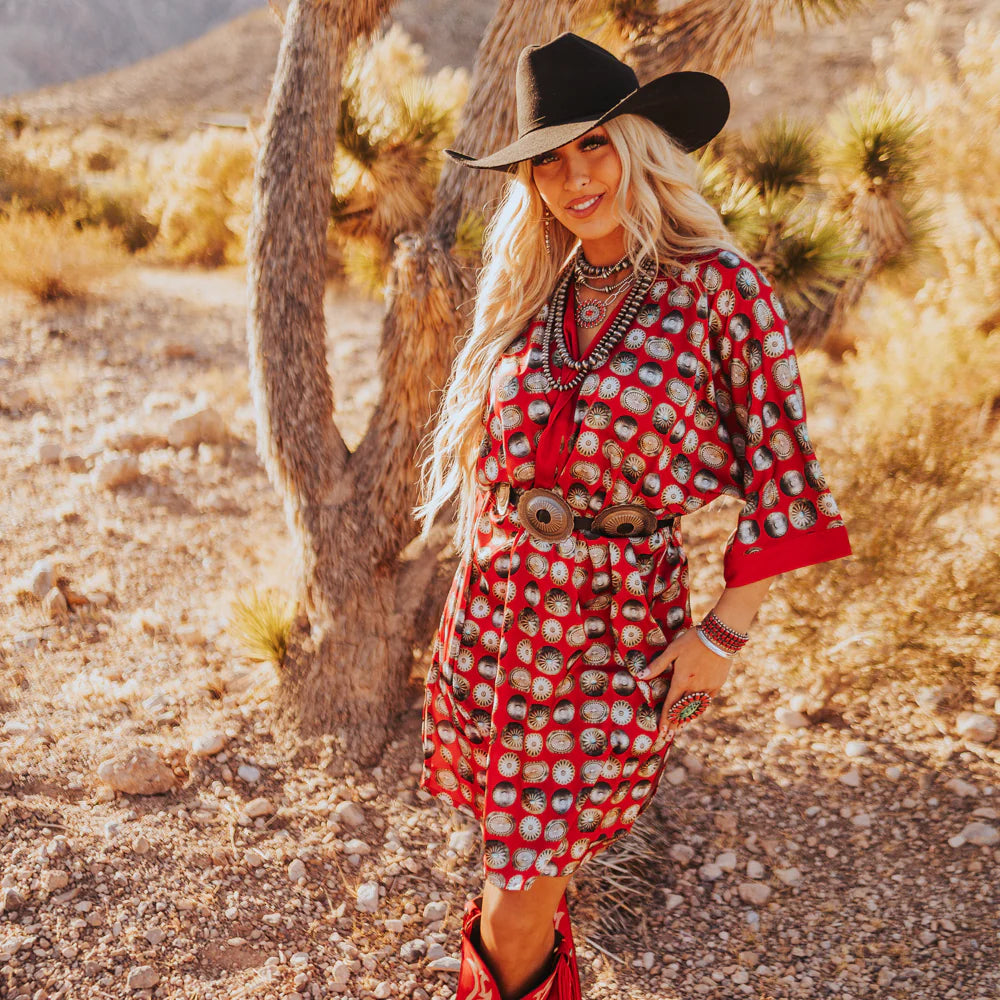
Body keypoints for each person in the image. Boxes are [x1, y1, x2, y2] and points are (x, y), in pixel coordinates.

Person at [414, 31, 852, 1000]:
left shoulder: (719, 290)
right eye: (549, 159)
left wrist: (725, 635)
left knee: (518, 890)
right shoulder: (540, 286)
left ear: (640, 145)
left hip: (608, 635)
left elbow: (785, 476)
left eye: (594, 146)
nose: (574, 179)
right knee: (523, 869)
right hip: (493, 622)